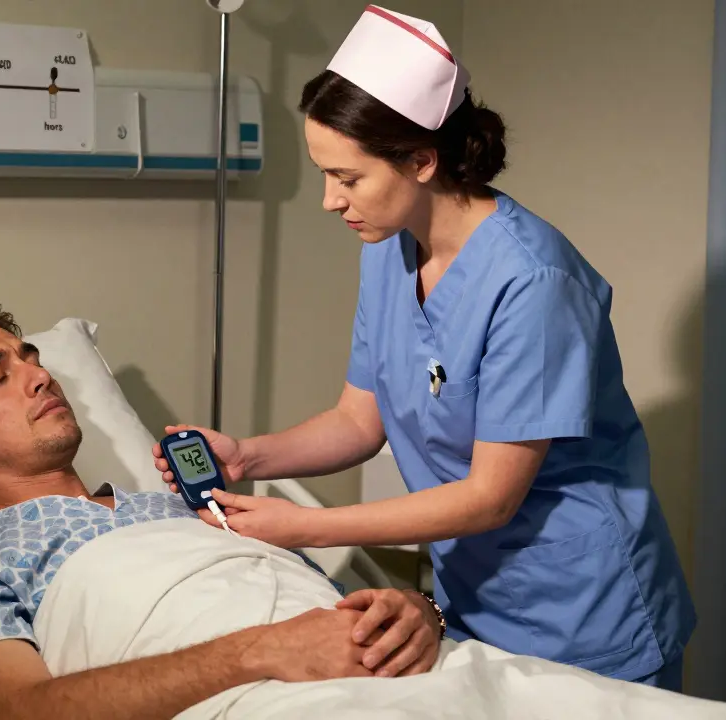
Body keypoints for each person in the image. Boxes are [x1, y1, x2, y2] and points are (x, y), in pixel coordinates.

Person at [153, 6, 696, 691]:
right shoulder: (388, 248)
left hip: (586, 611)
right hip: (477, 599)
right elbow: (358, 421)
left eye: (347, 178)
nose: (329, 200)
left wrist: (303, 528)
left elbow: (489, 498)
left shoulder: (532, 281)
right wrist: (248, 455)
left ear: (421, 159)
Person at [0, 294, 444, 719]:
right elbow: (21, 711)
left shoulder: (186, 508)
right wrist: (265, 651)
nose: (40, 377)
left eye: (31, 359)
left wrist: (418, 613)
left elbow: (328, 609)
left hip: (414, 676)